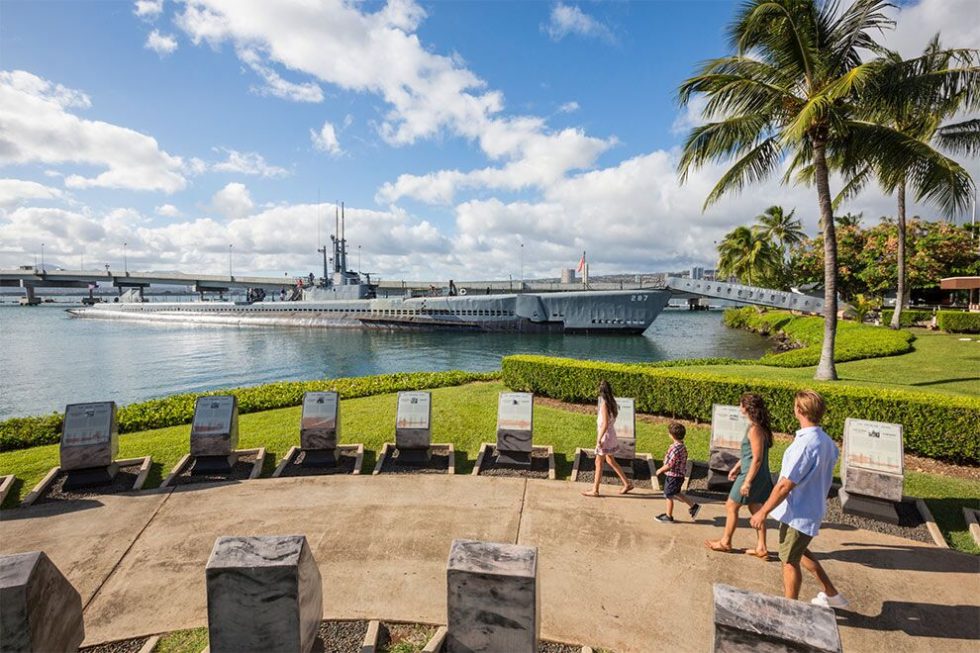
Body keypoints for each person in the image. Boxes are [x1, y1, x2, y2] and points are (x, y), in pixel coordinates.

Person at [749, 390, 848, 609]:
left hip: (798, 513)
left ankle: (789, 609)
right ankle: (832, 596)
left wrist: (762, 511)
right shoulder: (827, 442)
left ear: (799, 410)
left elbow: (785, 484)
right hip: (811, 509)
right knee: (800, 552)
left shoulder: (805, 444)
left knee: (789, 561)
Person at [705, 393, 775, 555]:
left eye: (741, 404)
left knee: (731, 505)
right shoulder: (758, 427)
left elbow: (756, 459)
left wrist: (747, 482)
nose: (739, 407)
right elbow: (749, 454)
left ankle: (726, 542)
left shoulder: (755, 429)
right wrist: (737, 467)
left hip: (752, 474)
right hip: (755, 473)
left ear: (747, 407)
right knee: (755, 507)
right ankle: (761, 547)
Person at [581, 380, 633, 497]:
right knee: (610, 460)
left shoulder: (605, 404)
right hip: (611, 435)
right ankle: (627, 483)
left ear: (601, 392)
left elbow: (604, 424)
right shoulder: (613, 403)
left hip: (605, 437)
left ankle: (595, 490)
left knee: (598, 462)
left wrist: (598, 439)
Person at [654, 422, 701, 523]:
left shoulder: (675, 449)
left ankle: (668, 516)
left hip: (673, 476)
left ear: (671, 435)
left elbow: (670, 464)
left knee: (668, 495)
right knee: (676, 492)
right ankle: (694, 506)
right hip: (679, 476)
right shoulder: (681, 446)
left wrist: (660, 470)